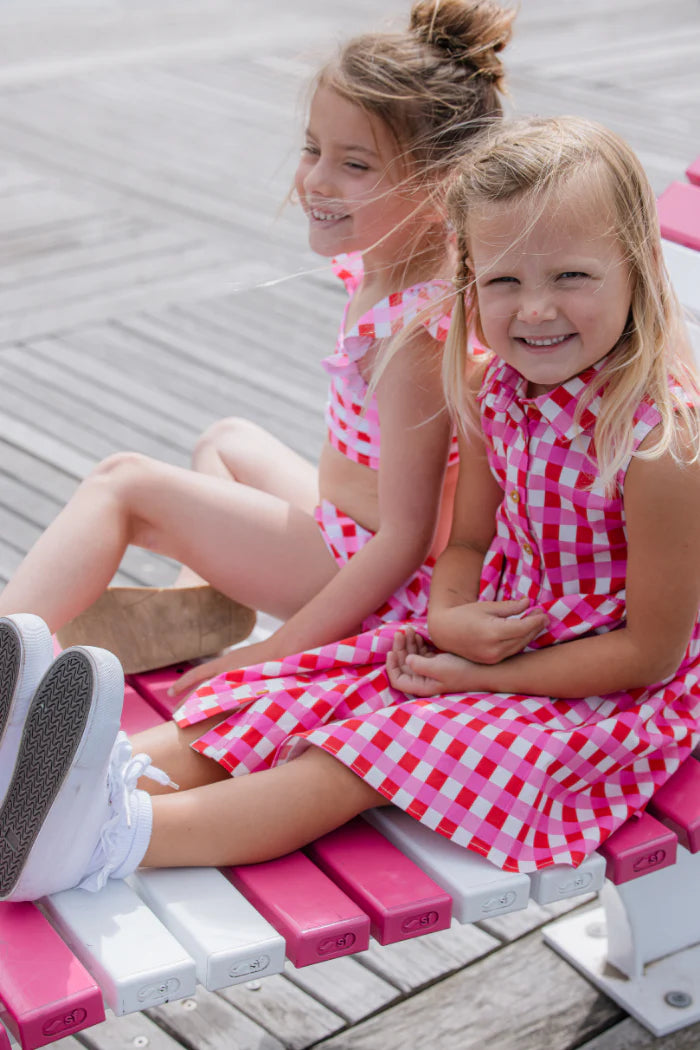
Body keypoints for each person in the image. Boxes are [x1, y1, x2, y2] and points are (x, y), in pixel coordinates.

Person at [3, 114, 699, 901]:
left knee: (365, 751)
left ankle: (105, 838)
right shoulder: (494, 390)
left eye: (570, 277)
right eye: (504, 281)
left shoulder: (658, 443)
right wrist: (448, 619)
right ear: (471, 279)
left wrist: (492, 674)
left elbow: (651, 655)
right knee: (285, 698)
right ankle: (46, 784)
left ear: (637, 266)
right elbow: (465, 543)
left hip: (598, 698)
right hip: (487, 643)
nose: (534, 310)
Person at [15, 0, 515, 687]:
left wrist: (274, 654)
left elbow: (403, 543)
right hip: (343, 527)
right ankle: (199, 606)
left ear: (441, 189)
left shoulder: (413, 342)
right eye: (314, 149)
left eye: (355, 165)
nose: (316, 180)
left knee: (123, 483)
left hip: (366, 573)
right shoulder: (398, 269)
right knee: (227, 439)